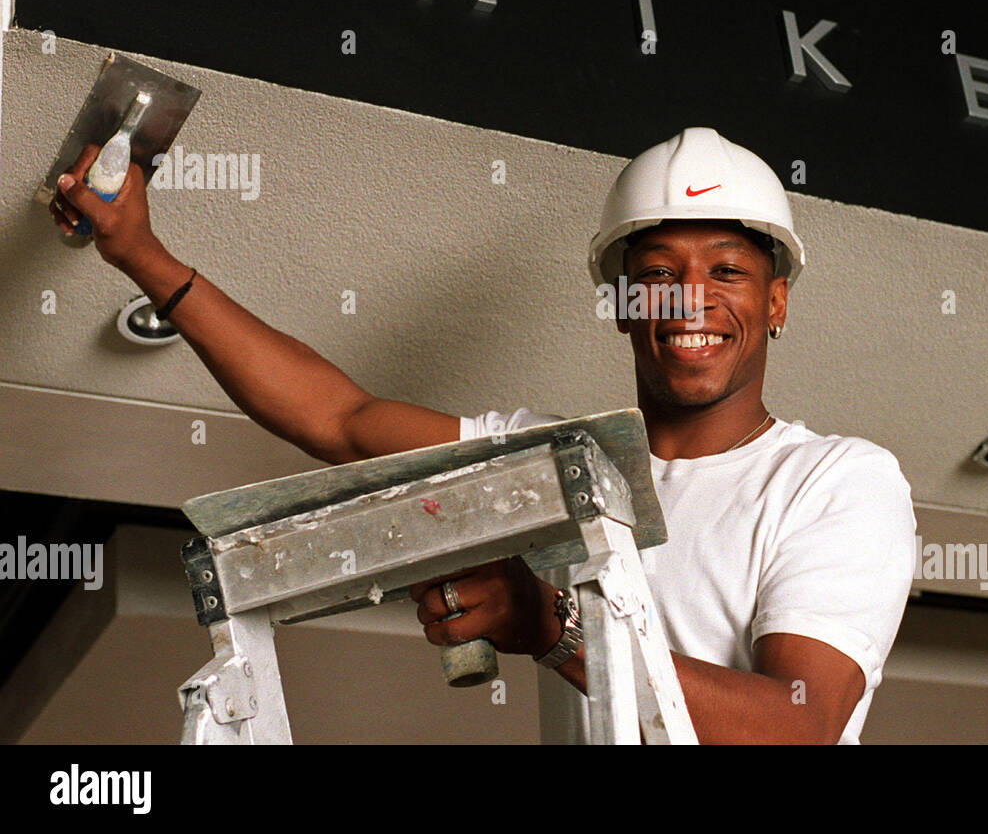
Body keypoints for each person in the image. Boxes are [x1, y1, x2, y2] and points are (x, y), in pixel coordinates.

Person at [50, 126, 915, 744]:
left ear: (776, 301)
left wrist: (558, 627)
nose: (688, 299)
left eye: (728, 271)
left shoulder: (835, 481)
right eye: (657, 274)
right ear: (621, 304)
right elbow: (339, 419)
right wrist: (141, 255)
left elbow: (798, 726)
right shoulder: (553, 462)